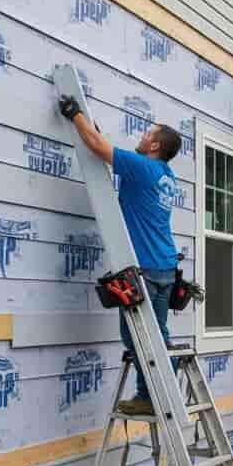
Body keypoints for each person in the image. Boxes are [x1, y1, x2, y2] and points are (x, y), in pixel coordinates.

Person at [59, 93, 182, 415]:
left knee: (135, 338)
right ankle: (157, 391)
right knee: (158, 334)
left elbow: (99, 148)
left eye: (147, 134)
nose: (142, 137)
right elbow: (102, 146)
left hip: (145, 268)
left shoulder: (143, 168)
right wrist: (91, 130)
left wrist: (74, 115)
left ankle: (149, 397)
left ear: (155, 146)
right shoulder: (167, 176)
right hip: (166, 267)